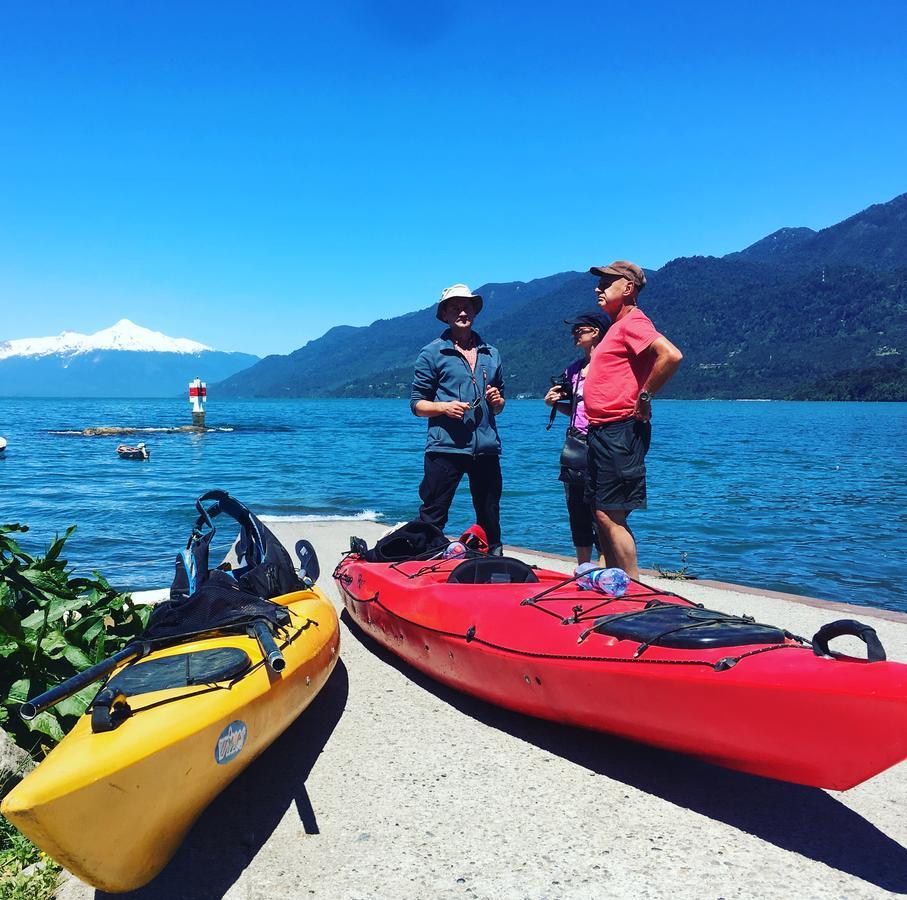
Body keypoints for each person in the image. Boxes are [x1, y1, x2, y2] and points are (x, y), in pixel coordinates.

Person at [583, 261, 683, 579]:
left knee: (611, 514)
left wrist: (645, 395)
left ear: (627, 288)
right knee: (603, 513)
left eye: (607, 282)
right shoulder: (616, 326)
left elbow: (671, 355)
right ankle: (617, 585)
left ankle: (634, 593)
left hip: (620, 429)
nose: (598, 288)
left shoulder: (633, 322)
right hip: (603, 431)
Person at [410, 284, 506, 554]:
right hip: (445, 447)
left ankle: (493, 563)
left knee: (490, 515)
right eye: (455, 307)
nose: (462, 311)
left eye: (467, 306)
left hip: (486, 447)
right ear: (445, 314)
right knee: (433, 513)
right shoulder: (432, 353)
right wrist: (443, 408)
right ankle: (423, 562)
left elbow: (498, 406)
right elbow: (416, 405)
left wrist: (498, 402)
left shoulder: (492, 353)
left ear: (475, 311)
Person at [544, 311, 610, 565]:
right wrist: (554, 403)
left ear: (596, 332)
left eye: (580, 330)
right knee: (576, 508)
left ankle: (605, 566)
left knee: (601, 510)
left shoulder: (610, 365)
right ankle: (583, 567)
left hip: (603, 442)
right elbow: (574, 409)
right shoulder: (574, 370)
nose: (574, 334)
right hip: (576, 441)